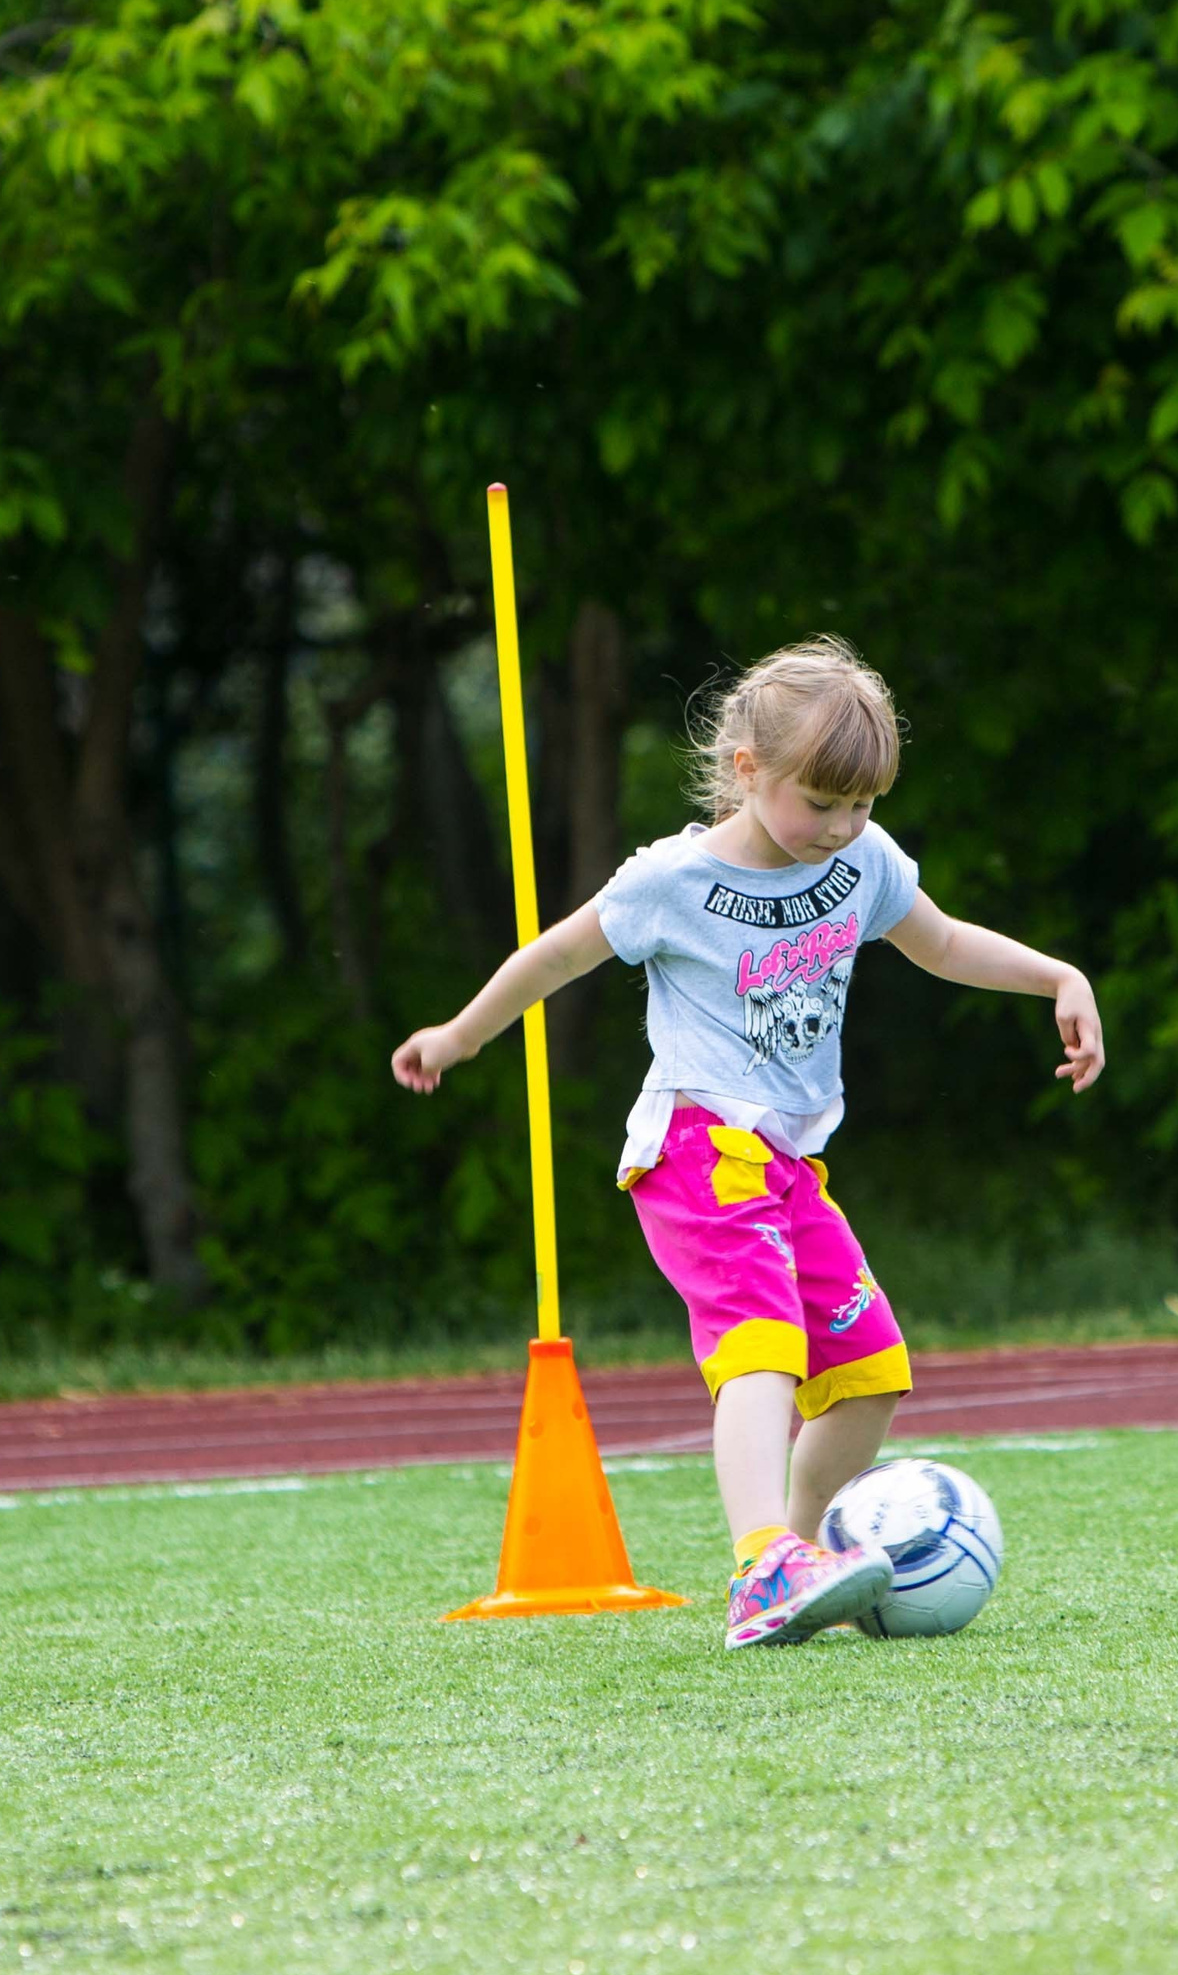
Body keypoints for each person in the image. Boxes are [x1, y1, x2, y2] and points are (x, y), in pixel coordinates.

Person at [391, 636, 1105, 1648]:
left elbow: (941, 942)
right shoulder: (670, 880)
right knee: (763, 1340)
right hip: (697, 1144)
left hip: (788, 1165)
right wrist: (459, 1035)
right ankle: (760, 1557)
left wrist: (1057, 977)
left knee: (867, 1375)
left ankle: (803, 1564)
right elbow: (552, 956)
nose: (842, 826)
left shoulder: (861, 860)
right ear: (747, 771)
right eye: (820, 802)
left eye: (861, 804)